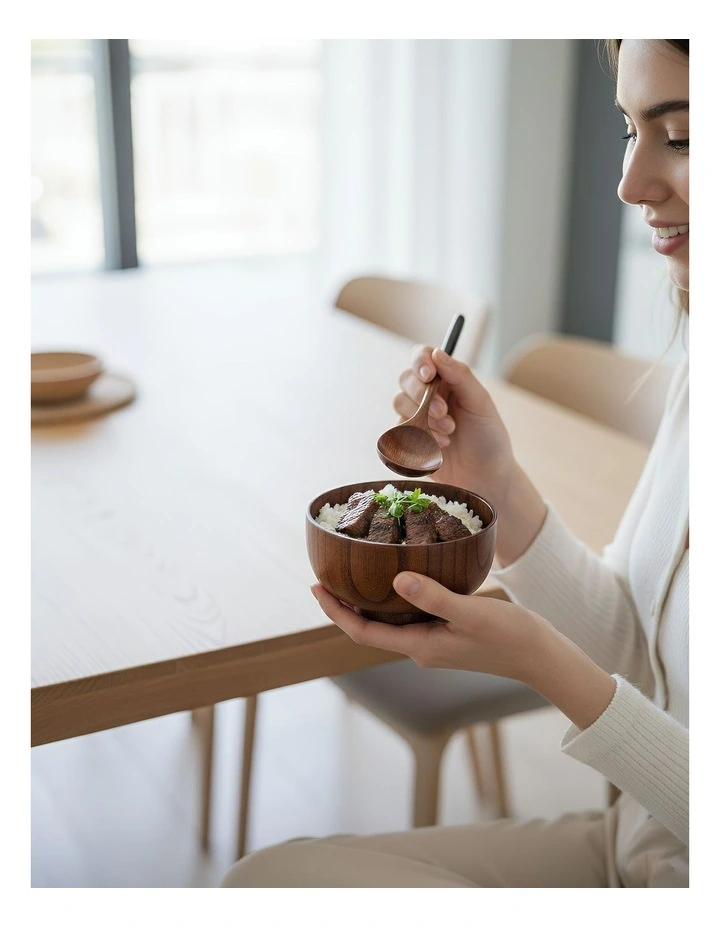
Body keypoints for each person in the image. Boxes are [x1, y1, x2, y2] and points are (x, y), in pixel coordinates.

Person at [221, 39, 689, 888]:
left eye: (682, 136)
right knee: (267, 880)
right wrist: (497, 486)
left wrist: (542, 662)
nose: (630, 183)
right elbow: (639, 648)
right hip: (639, 845)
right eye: (629, 129)